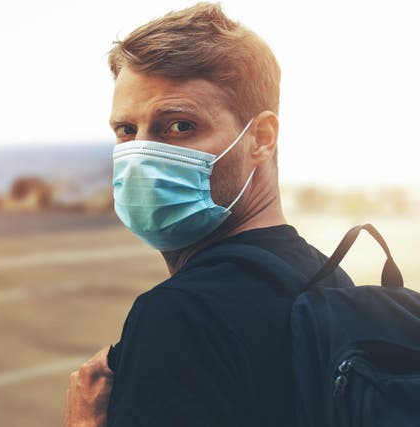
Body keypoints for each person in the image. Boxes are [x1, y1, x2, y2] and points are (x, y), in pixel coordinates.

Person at [64, 3, 354, 426]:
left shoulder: (180, 315)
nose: (141, 155)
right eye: (126, 130)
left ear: (261, 137)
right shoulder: (327, 279)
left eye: (179, 126)